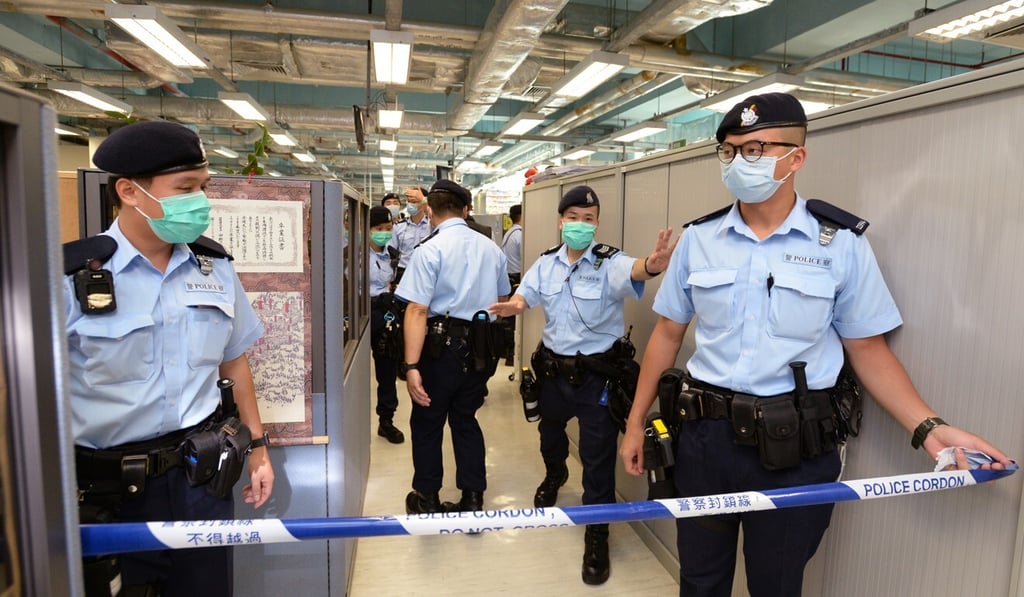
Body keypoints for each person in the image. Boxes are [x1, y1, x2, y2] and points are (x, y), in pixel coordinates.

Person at [617, 92, 1012, 597]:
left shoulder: (840, 243)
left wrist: (930, 429)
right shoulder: (701, 238)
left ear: (796, 157)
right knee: (699, 581)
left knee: (777, 584)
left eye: (756, 149)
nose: (740, 161)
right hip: (704, 440)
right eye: (730, 150)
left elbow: (867, 350)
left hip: (794, 448)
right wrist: (634, 425)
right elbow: (668, 335)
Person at [66, 120, 274, 597]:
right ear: (130, 191)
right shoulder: (71, 278)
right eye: (185, 188)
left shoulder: (215, 268)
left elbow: (234, 361)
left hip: (201, 478)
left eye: (203, 186)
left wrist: (259, 448)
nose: (199, 200)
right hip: (107, 490)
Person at [489, 185, 675, 586]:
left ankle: (597, 536)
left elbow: (637, 268)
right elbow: (526, 298)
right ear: (561, 221)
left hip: (597, 380)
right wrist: (512, 306)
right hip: (554, 376)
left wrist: (655, 264)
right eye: (572, 218)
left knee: (597, 460)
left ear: (596, 224)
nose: (579, 225)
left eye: (588, 219)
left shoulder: (609, 262)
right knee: (549, 434)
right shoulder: (545, 263)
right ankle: (554, 474)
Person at [395, 179, 511, 515]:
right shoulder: (492, 249)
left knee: (428, 422)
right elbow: (501, 301)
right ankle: (473, 496)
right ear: (466, 209)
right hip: (481, 350)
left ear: (430, 211)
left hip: (438, 350)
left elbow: (416, 310)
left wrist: (411, 366)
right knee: (466, 419)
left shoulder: (429, 250)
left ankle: (427, 498)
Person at [368, 205, 405, 444]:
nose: (383, 233)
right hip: (361, 315)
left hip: (385, 315)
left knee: (387, 370)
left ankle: (386, 420)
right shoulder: (351, 254)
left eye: (388, 228)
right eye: (378, 229)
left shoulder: (392, 254)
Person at [388, 186, 431, 284]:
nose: (411, 205)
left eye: (414, 201)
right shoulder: (398, 227)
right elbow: (391, 253)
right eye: (409, 201)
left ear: (424, 203)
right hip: (402, 272)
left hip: (425, 271)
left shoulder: (432, 225)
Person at [501, 203, 523, 289]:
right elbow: (526, 259)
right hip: (517, 277)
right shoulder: (520, 234)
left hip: (509, 276)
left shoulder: (509, 232)